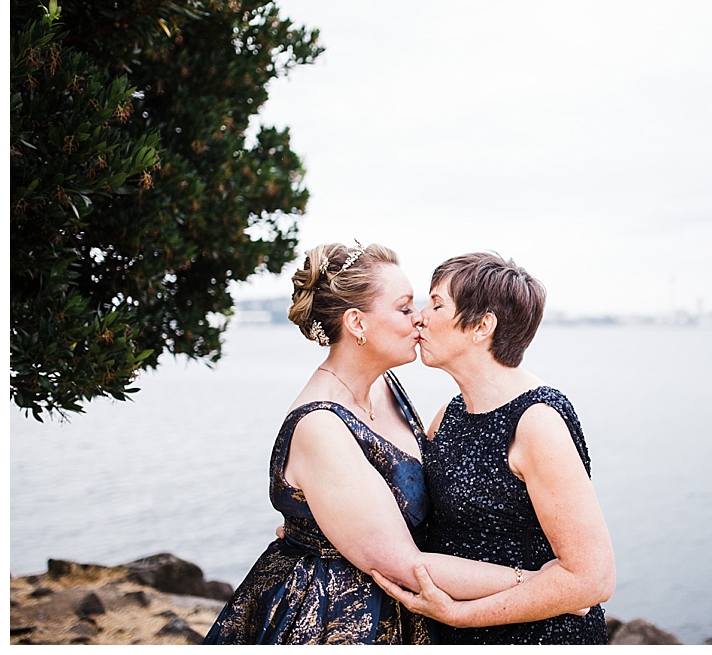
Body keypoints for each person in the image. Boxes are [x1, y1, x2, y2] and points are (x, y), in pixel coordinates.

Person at [204, 242, 554, 645]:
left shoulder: (387, 387)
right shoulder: (320, 425)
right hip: (335, 621)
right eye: (404, 308)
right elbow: (407, 566)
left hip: (403, 611)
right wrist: (539, 584)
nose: (419, 318)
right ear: (356, 323)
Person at [372, 252, 616, 644]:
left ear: (482, 326)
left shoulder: (537, 423)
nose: (420, 316)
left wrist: (460, 615)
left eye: (436, 304)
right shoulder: (449, 415)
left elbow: (593, 580)